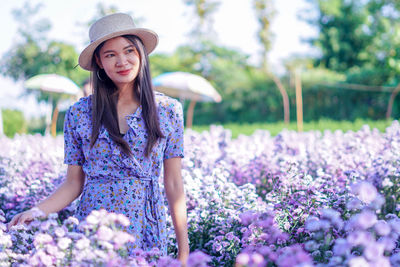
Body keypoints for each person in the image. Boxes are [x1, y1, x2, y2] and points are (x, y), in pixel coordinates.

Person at [8, 13, 189, 264]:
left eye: (128, 51)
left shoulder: (168, 109)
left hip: (147, 224)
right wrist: (37, 211)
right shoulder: (79, 113)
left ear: (141, 54)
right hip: (94, 227)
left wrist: (184, 252)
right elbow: (73, 183)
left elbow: (174, 184)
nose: (122, 61)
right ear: (99, 62)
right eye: (110, 54)